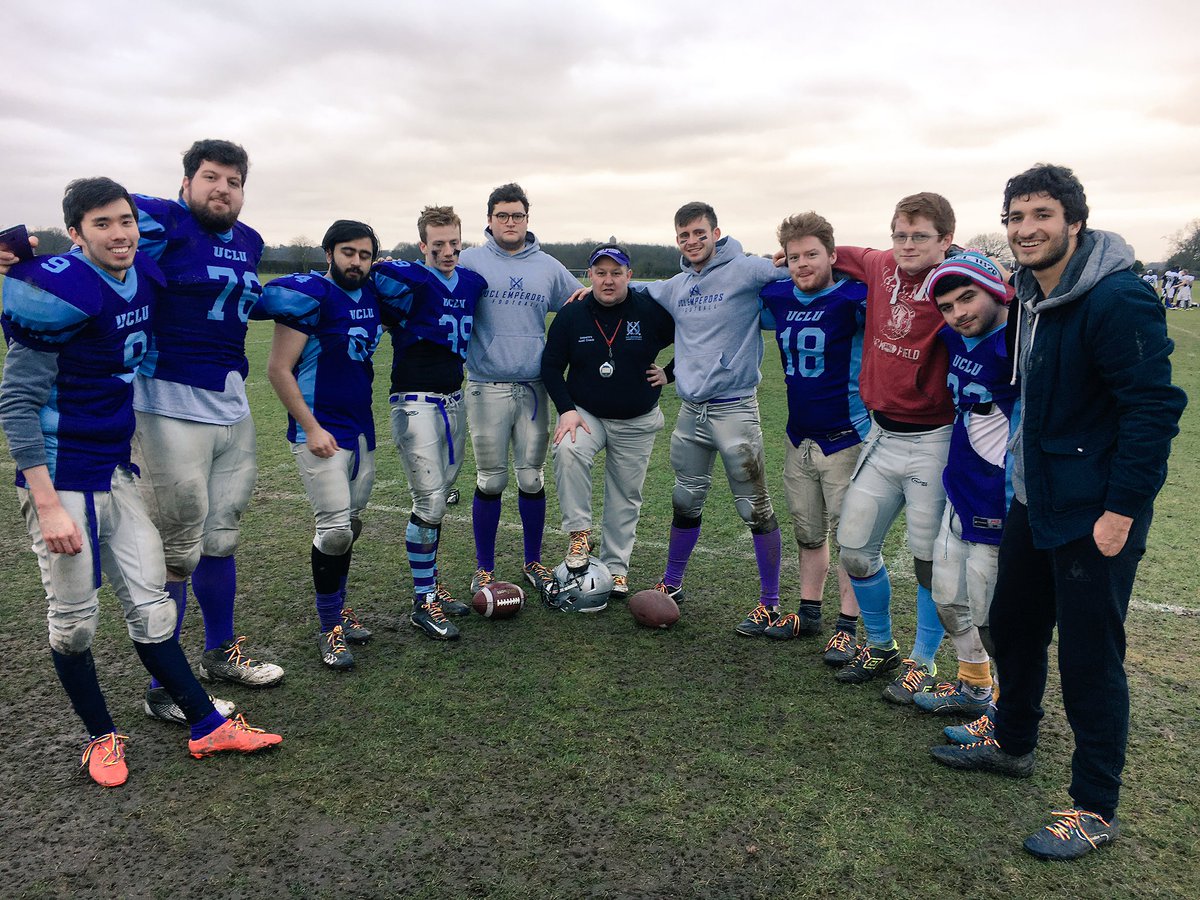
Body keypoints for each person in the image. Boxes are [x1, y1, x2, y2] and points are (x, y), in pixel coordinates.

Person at [930, 164, 1186, 861]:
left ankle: (1094, 808)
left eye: (1041, 215)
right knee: (1010, 625)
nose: (1025, 229)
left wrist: (1122, 511)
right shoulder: (1027, 295)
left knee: (1089, 660)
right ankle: (1013, 741)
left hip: (1094, 515)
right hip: (1032, 498)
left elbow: (1154, 411)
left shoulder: (1115, 299)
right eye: (1015, 217)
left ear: (1075, 221)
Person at [0, 178, 281, 786]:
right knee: (74, 620)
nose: (120, 233)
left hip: (115, 467)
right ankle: (100, 737)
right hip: (62, 470)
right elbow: (18, 402)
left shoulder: (147, 274)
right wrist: (45, 502)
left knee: (152, 603)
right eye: (101, 224)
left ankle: (205, 723)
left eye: (125, 220)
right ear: (75, 233)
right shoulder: (58, 288)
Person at [129, 139, 284, 696]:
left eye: (234, 181)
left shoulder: (249, 240)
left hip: (231, 400)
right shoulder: (165, 221)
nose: (223, 189)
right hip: (167, 398)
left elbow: (243, 300)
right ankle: (163, 688)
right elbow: (102, 216)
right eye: (211, 177)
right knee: (177, 547)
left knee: (222, 535)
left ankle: (221, 650)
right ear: (187, 182)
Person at [828, 193, 956, 704]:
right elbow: (840, 251)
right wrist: (790, 250)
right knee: (855, 548)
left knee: (928, 561)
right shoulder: (881, 264)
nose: (906, 245)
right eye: (899, 234)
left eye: (920, 236)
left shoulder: (959, 280)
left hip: (935, 437)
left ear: (945, 240)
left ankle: (922, 663)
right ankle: (880, 644)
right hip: (882, 434)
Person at [638, 202, 789, 627]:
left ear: (716, 232)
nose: (692, 241)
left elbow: (800, 272)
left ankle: (771, 602)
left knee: (754, 506)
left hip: (735, 409)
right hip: (691, 411)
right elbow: (638, 291)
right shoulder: (677, 284)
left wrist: (790, 257)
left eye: (699, 233)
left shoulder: (746, 269)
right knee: (685, 498)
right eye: (684, 235)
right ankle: (672, 580)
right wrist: (591, 290)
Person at [261, 220, 390, 668]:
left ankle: (338, 608)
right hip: (321, 427)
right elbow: (278, 369)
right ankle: (328, 628)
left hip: (361, 427)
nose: (357, 262)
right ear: (329, 252)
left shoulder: (374, 294)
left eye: (365, 254)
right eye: (348, 252)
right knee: (334, 530)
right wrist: (310, 426)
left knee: (350, 526)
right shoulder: (310, 297)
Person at [458, 184, 581, 598]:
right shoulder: (469, 261)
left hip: (532, 388)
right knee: (490, 481)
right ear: (489, 220)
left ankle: (533, 561)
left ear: (528, 219)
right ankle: (485, 568)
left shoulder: (547, 265)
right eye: (502, 215)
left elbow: (581, 301)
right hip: (485, 386)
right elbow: (433, 282)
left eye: (517, 215)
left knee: (531, 478)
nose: (510, 222)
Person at [756, 212, 867, 664]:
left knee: (852, 538)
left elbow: (889, 277)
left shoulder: (854, 297)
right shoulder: (779, 294)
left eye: (812, 255)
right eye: (795, 256)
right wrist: (772, 261)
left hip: (846, 434)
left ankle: (847, 626)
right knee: (807, 530)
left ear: (832, 256)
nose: (802, 264)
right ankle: (809, 611)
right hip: (797, 435)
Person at [912, 252, 1018, 723]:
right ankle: (975, 687)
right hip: (960, 489)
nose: (959, 313)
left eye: (968, 298)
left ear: (996, 291)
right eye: (949, 306)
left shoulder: (1018, 344)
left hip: (1002, 501)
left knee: (996, 619)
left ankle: (1009, 714)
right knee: (947, 596)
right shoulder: (955, 336)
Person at [373, 206, 487, 640]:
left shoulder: (474, 281)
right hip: (414, 400)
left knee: (440, 496)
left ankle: (432, 587)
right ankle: (423, 601)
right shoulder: (409, 278)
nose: (446, 251)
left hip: (455, 399)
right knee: (429, 502)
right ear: (422, 245)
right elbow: (365, 281)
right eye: (436, 244)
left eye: (453, 242)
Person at [540, 244, 675, 609]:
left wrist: (671, 373)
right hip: (587, 413)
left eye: (616, 272)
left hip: (637, 419)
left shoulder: (650, 311)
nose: (608, 279)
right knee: (568, 449)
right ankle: (579, 534)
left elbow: (695, 338)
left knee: (625, 494)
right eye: (600, 273)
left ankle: (617, 567)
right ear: (590, 276)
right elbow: (551, 366)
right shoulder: (573, 314)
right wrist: (566, 409)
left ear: (629, 276)